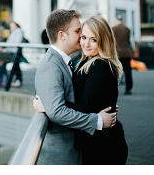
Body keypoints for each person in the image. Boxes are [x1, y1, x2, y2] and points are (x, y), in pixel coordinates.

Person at [35, 15, 129, 164]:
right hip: (95, 144)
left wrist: (48, 106)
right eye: (83, 37)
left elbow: (85, 107)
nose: (86, 43)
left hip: (104, 147)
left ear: (104, 40)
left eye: (94, 39)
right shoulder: (85, 62)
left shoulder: (100, 65)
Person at [0, 21, 24, 88]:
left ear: (16, 26)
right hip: (11, 52)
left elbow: (15, 44)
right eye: (11, 26)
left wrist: (4, 50)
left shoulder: (18, 32)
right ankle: (7, 79)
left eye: (12, 26)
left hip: (13, 52)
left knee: (3, 63)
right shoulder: (13, 33)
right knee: (14, 66)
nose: (11, 28)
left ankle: (5, 80)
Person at [111, 16, 133, 95]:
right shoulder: (127, 29)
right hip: (127, 53)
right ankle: (128, 89)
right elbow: (128, 41)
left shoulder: (114, 29)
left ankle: (113, 89)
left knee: (114, 73)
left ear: (116, 21)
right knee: (128, 72)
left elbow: (112, 41)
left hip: (118, 53)